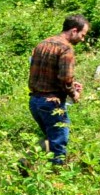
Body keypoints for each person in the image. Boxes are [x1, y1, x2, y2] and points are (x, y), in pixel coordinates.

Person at [29, 15, 89, 165]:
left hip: (35, 101)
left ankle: (27, 163)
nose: (82, 39)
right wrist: (73, 93)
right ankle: (58, 179)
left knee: (52, 137)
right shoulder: (65, 49)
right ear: (74, 30)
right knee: (59, 143)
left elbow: (43, 73)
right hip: (51, 103)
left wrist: (70, 83)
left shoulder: (41, 44)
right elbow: (65, 78)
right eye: (82, 35)